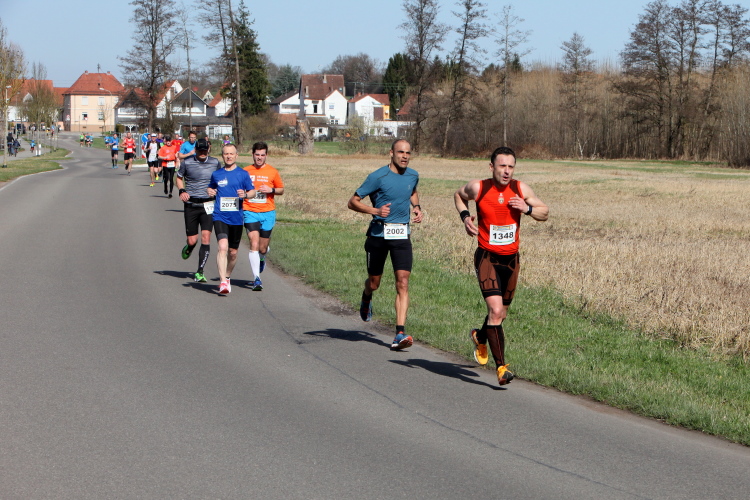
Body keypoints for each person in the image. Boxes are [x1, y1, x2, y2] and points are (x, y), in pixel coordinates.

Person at [454, 146, 549, 386]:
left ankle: (480, 336)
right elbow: (458, 195)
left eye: (511, 167)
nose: (507, 171)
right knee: (496, 311)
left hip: (511, 260)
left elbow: (544, 212)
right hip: (487, 256)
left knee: (501, 314)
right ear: (491, 167)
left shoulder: (520, 189)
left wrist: (527, 209)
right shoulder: (479, 187)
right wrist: (465, 217)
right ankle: (501, 368)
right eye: (502, 166)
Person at [347, 138, 423, 350]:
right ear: (391, 153)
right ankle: (366, 296)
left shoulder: (413, 175)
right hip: (378, 235)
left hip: (401, 234)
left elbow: (412, 190)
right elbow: (352, 202)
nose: (405, 156)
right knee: (374, 283)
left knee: (403, 282)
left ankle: (400, 333)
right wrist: (376, 211)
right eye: (400, 152)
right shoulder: (377, 177)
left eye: (408, 153)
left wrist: (417, 207)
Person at [207, 144, 255, 294]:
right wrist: (210, 191)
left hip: (236, 218)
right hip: (220, 215)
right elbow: (211, 188)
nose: (228, 156)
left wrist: (245, 195)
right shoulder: (217, 174)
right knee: (222, 247)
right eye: (226, 154)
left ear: (236, 155)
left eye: (231, 154)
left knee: (233, 252)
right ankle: (223, 282)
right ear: (222, 156)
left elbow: (252, 192)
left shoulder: (243, 174)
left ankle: (227, 276)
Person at [176, 138, 221, 283]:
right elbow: (179, 178)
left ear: (208, 149)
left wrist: (217, 190)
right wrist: (182, 190)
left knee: (206, 238)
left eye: (205, 150)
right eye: (200, 150)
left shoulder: (215, 163)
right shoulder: (187, 162)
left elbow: (220, 180)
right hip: (191, 204)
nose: (202, 153)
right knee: (192, 240)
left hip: (208, 205)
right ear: (195, 150)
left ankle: (200, 271)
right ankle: (189, 247)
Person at [243, 141, 285, 291]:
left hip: (268, 212)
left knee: (262, 248)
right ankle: (257, 279)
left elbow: (281, 190)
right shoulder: (245, 171)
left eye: (262, 155)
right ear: (252, 155)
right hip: (250, 211)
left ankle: (262, 257)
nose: (259, 158)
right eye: (257, 155)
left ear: (266, 155)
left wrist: (271, 189)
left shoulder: (272, 172)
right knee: (253, 243)